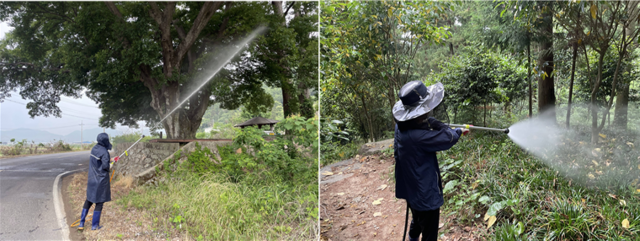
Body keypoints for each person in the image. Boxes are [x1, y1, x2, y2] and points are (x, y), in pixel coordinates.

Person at [393, 81, 469, 241]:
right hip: (425, 193)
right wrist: (456, 131)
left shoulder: (401, 127)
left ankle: (412, 238)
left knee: (417, 216)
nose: (427, 111)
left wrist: (429, 123)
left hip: (411, 188)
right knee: (429, 230)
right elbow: (448, 138)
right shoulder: (419, 137)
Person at [78, 133, 113, 231]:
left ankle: (81, 223)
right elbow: (105, 166)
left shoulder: (94, 149)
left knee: (89, 200)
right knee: (99, 202)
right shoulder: (105, 152)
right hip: (100, 181)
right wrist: (111, 165)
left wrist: (111, 160)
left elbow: (99, 161)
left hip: (91, 179)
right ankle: (94, 226)